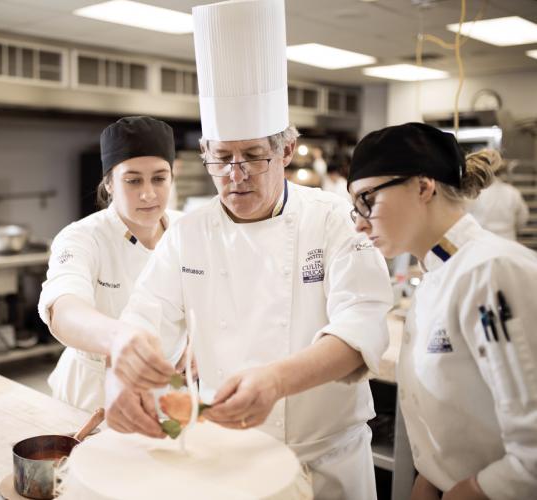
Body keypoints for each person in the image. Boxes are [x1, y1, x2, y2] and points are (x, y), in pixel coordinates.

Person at [104, 1, 393, 498]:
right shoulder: (189, 233)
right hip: (228, 452)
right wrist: (120, 381)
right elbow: (144, 317)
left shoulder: (333, 221)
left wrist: (277, 380)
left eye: (253, 156)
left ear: (285, 150)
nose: (235, 175)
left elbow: (361, 328)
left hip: (325, 457)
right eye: (222, 158)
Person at [347, 122, 537, 500]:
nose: (360, 224)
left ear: (423, 186)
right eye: (355, 208)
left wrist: (466, 490)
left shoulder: (492, 271)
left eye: (368, 200)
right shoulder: (437, 273)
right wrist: (432, 474)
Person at [38, 116, 181, 412]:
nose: (149, 193)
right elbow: (64, 306)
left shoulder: (187, 230)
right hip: (93, 398)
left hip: (169, 391)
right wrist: (120, 338)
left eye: (159, 178)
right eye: (133, 180)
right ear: (109, 183)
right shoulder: (82, 236)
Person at [467, 160, 529, 241]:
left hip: (482, 242)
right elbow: (523, 218)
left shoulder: (475, 192)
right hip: (508, 241)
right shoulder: (512, 192)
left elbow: (467, 218)